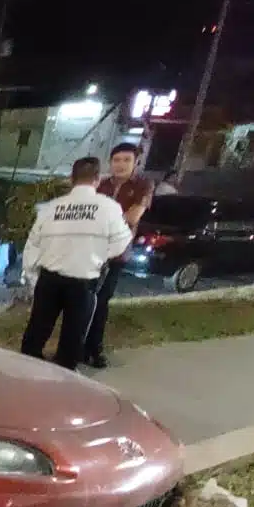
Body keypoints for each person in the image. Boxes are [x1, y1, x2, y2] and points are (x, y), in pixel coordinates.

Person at [18, 158, 133, 371]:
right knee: (73, 337)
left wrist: (32, 277)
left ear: (72, 179)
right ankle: (65, 379)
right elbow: (121, 245)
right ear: (98, 180)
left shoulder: (51, 208)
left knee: (37, 331)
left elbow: (32, 245)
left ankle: (25, 371)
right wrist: (99, 254)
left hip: (49, 280)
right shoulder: (109, 208)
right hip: (83, 280)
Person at [82, 143, 156, 368]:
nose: (120, 165)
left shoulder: (143, 185)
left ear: (135, 163)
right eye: (116, 160)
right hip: (90, 251)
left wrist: (102, 220)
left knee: (102, 302)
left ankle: (94, 349)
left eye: (126, 160)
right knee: (82, 301)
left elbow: (133, 217)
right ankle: (75, 347)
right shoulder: (101, 184)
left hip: (115, 253)